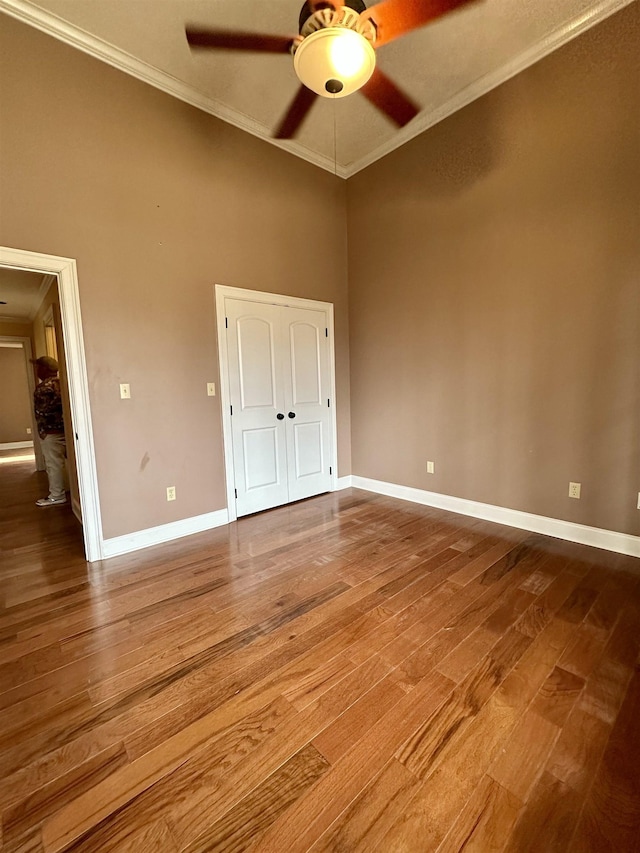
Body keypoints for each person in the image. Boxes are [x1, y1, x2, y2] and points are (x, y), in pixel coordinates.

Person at [31, 355, 67, 507]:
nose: (37, 370)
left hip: (50, 433)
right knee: (68, 463)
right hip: (66, 431)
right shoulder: (62, 383)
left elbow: (44, 411)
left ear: (45, 369)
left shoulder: (43, 388)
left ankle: (57, 495)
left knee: (54, 465)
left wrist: (43, 430)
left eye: (39, 367)